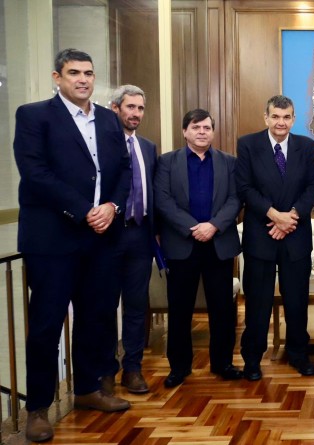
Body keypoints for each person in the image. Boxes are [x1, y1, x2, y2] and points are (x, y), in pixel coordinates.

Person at [14, 48, 132, 442]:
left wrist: (112, 207)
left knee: (95, 317)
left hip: (101, 237)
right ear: (57, 77)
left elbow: (123, 172)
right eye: (74, 73)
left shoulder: (109, 120)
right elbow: (35, 173)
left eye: (88, 73)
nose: (82, 79)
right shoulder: (34, 116)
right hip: (54, 238)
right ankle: (38, 409)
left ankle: (87, 390)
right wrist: (85, 211)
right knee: (46, 324)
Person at [154, 109, 243, 388]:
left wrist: (213, 226)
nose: (202, 132)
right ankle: (179, 367)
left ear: (213, 132)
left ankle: (223, 363)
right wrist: (194, 227)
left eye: (207, 127)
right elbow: (163, 201)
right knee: (180, 309)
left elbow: (235, 199)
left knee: (222, 309)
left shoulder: (229, 163)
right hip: (182, 245)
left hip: (218, 244)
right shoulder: (167, 162)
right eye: (196, 127)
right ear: (185, 131)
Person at [236, 95, 314, 379]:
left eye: (286, 117)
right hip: (261, 235)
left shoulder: (305, 146)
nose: (280, 122)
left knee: (296, 302)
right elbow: (244, 188)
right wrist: (274, 215)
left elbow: (313, 187)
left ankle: (298, 355)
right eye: (275, 116)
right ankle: (252, 360)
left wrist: (290, 217)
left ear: (294, 119)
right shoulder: (248, 144)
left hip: (295, 235)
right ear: (266, 117)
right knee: (257, 304)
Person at [107, 84, 158, 394]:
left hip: (140, 236)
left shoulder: (148, 147)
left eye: (140, 108)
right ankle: (105, 371)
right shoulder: (102, 145)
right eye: (130, 107)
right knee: (105, 306)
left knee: (137, 306)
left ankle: (133, 369)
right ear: (116, 108)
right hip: (108, 237)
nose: (136, 113)